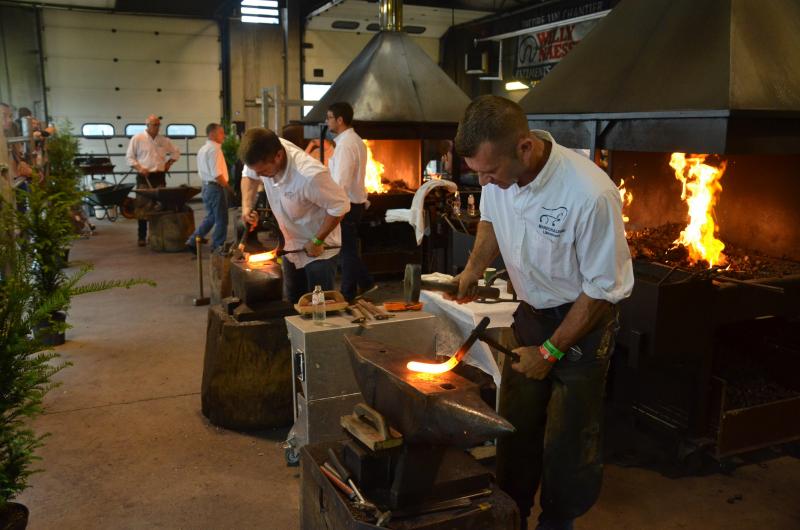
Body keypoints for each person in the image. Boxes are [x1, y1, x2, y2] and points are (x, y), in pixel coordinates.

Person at [451, 95, 633, 530]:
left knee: (569, 438)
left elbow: (602, 290)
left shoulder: (589, 194)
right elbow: (491, 219)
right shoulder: (499, 178)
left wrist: (550, 351)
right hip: (530, 313)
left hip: (582, 325)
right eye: (480, 175)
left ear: (525, 148)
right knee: (514, 425)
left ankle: (558, 520)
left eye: (490, 172)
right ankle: (511, 510)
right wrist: (474, 267)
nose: (487, 183)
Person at [238, 128, 350, 303]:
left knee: (319, 306)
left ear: (278, 156)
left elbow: (340, 206)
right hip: (291, 246)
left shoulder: (309, 175)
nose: (260, 176)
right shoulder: (262, 151)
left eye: (263, 172)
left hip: (318, 250)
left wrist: (317, 239)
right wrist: (246, 207)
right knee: (294, 300)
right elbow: (249, 176)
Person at [325, 102, 375, 302]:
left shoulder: (346, 144)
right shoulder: (355, 140)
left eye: (329, 117)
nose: (326, 121)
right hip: (354, 203)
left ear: (340, 120)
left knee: (346, 252)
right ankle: (366, 284)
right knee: (348, 250)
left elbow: (342, 182)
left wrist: (336, 207)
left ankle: (348, 294)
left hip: (347, 204)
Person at [126, 114, 180, 246]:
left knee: (159, 207)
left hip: (159, 176)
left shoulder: (164, 140)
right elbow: (129, 157)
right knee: (143, 207)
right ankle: (142, 237)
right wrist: (139, 168)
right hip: (144, 177)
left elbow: (176, 152)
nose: (157, 127)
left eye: (158, 125)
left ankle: (155, 235)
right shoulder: (137, 138)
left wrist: (168, 164)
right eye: (154, 125)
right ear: (147, 125)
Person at [185, 123, 230, 253]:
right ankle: (217, 246)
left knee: (211, 217)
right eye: (221, 133)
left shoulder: (203, 149)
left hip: (206, 187)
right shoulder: (215, 149)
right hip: (216, 188)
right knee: (221, 219)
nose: (224, 136)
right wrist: (227, 187)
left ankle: (193, 240)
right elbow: (216, 174)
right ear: (212, 134)